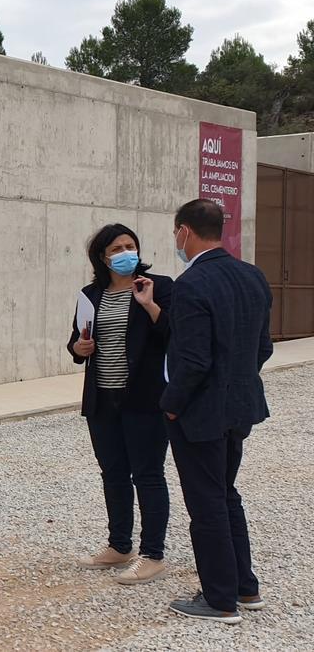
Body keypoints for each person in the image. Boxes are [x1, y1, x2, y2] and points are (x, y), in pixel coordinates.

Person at [162, 199, 273, 625]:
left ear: (185, 232)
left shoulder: (192, 284)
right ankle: (244, 586)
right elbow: (262, 346)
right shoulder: (253, 276)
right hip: (239, 408)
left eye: (176, 233)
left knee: (206, 502)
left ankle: (219, 599)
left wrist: (171, 406)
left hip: (200, 413)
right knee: (226, 494)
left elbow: (192, 361)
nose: (176, 241)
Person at [67, 224, 173, 585]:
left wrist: (150, 306)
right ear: (103, 256)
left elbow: (173, 335)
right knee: (113, 474)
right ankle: (119, 546)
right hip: (102, 398)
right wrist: (78, 349)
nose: (126, 252)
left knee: (147, 474)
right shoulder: (91, 293)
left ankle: (153, 554)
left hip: (144, 399)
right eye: (117, 248)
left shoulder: (157, 286)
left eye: (131, 246)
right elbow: (77, 341)